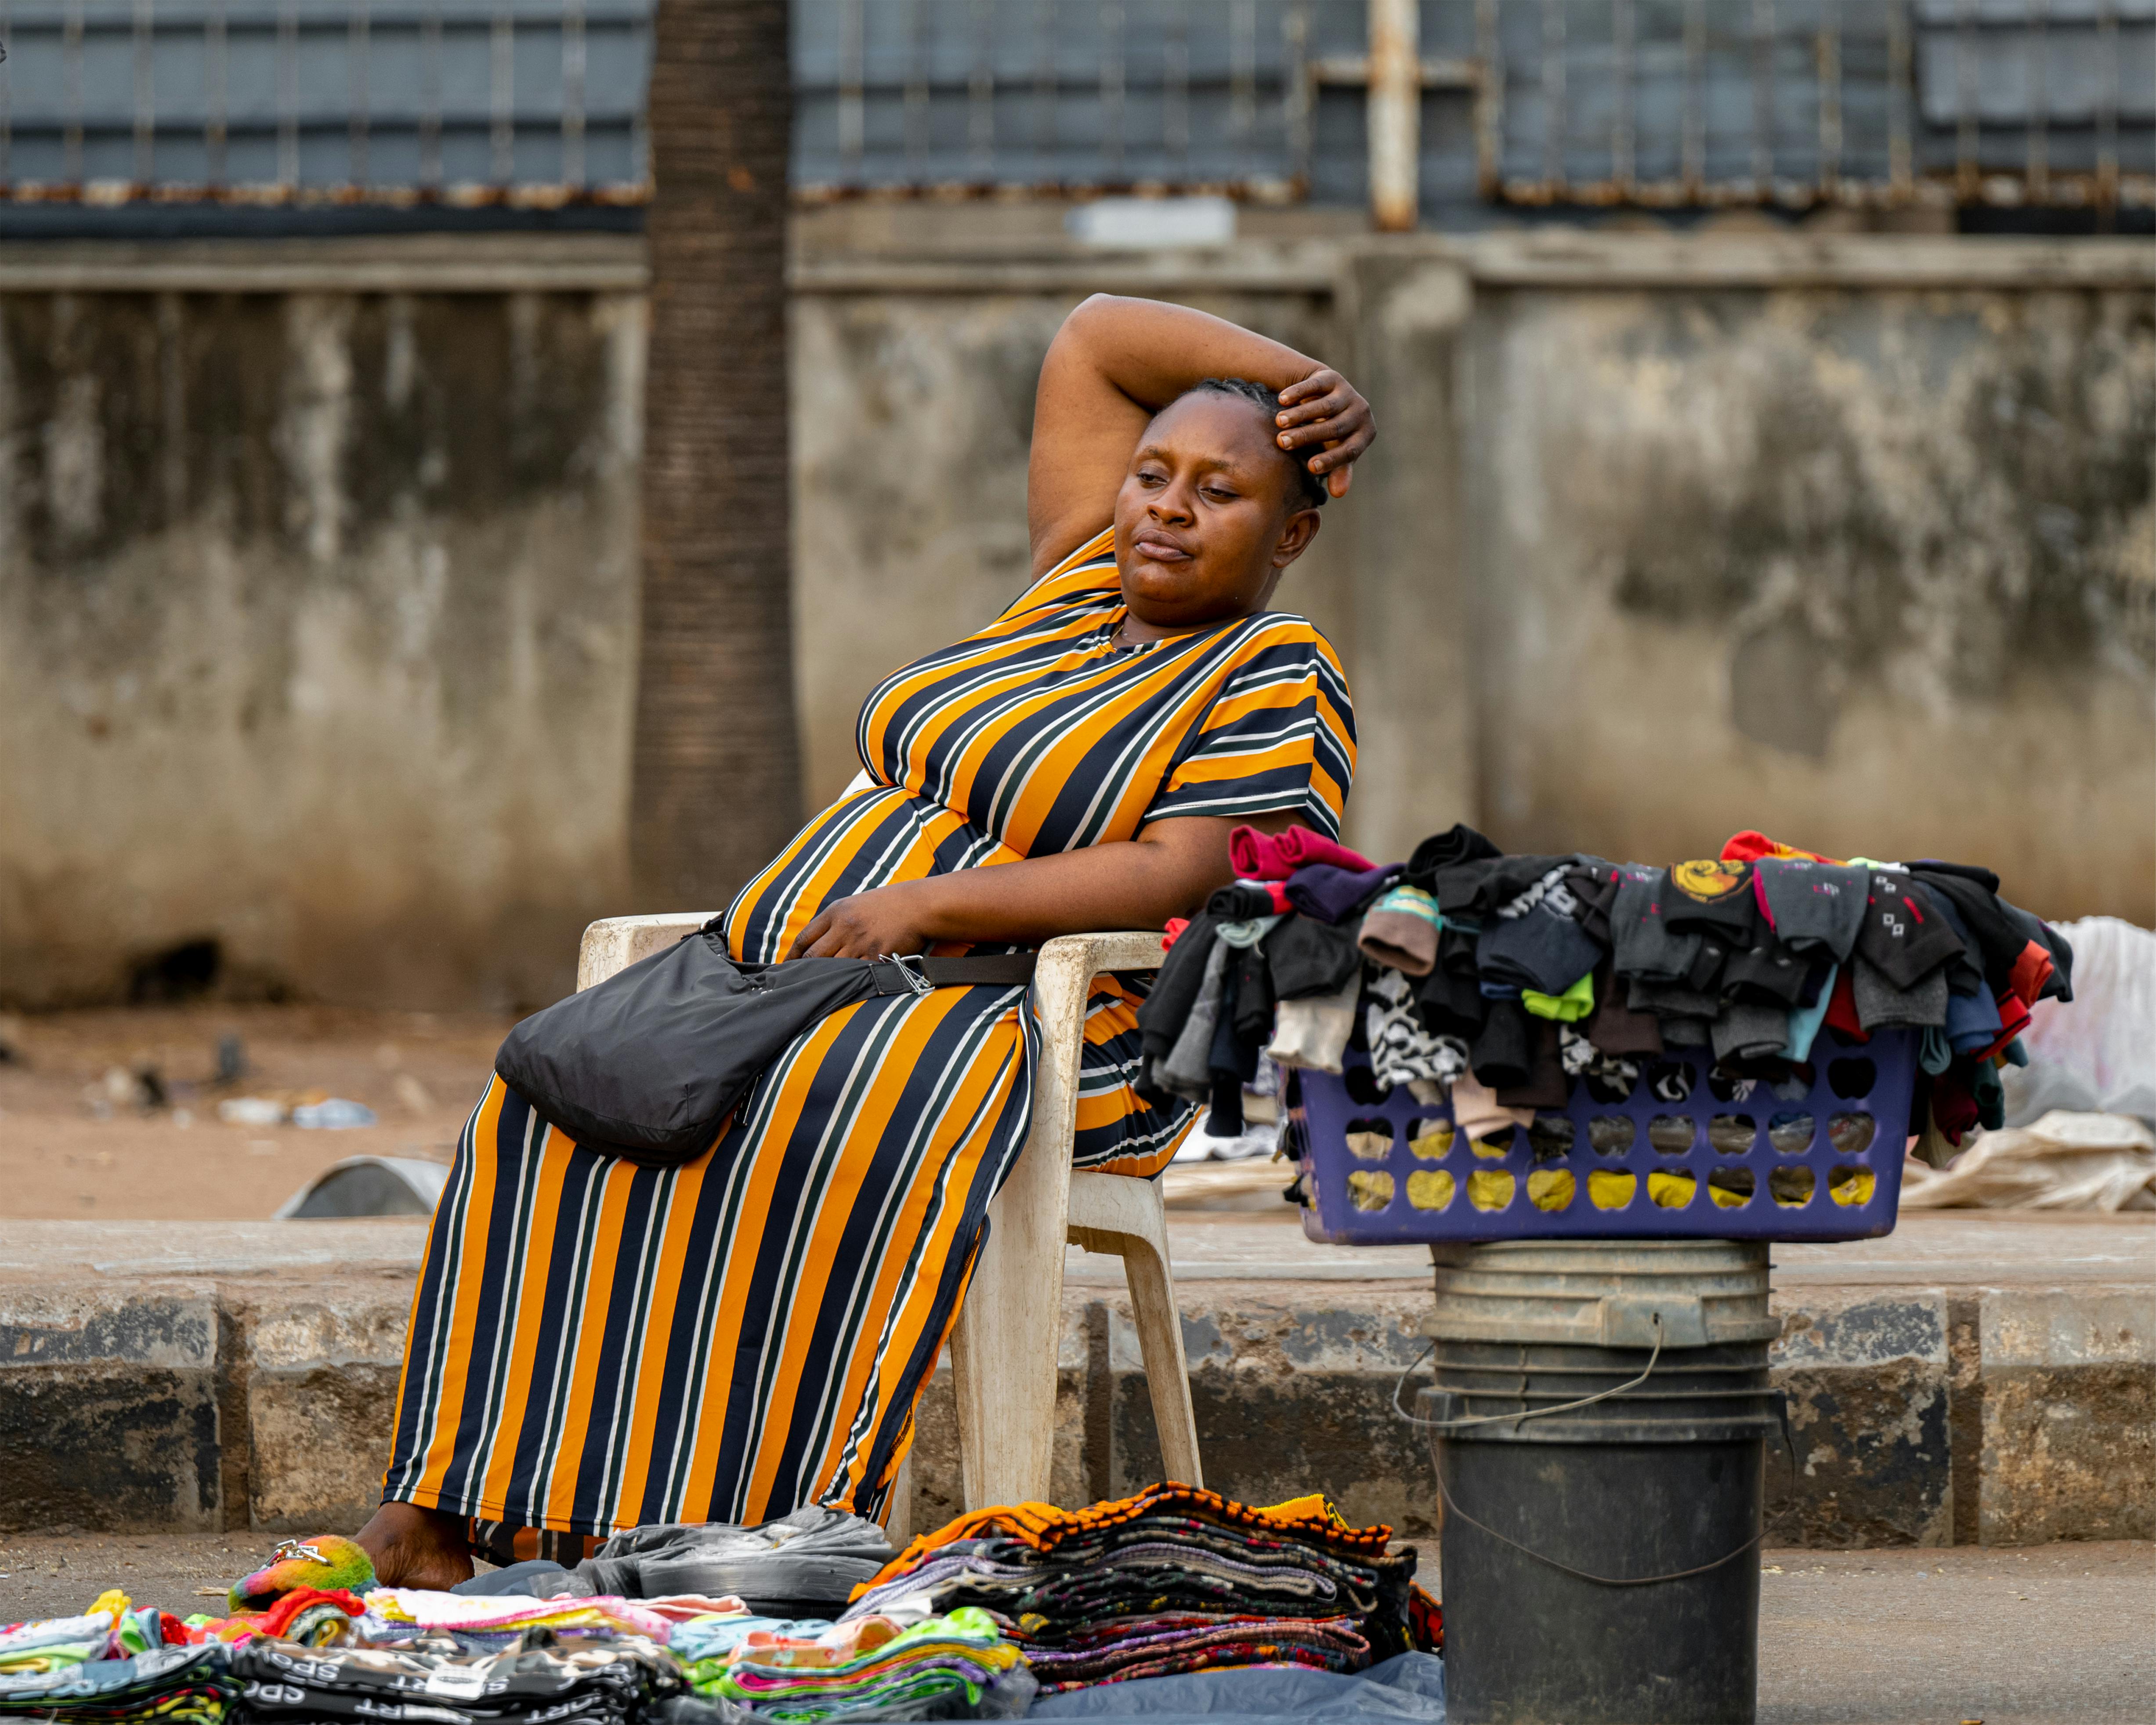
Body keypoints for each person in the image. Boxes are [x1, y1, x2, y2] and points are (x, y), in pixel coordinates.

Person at [355, 294, 1375, 1587]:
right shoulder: (1071, 582)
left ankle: (764, 1532)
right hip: (790, 979)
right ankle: (449, 1500)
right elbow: (1094, 337)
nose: (1162, 509)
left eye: (1215, 493)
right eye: (1151, 476)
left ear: (1288, 531)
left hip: (1029, 1022)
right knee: (549, 1092)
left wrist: (925, 905)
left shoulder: (1274, 669)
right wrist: (1306, 386)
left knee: (819, 1104)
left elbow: (1184, 869)